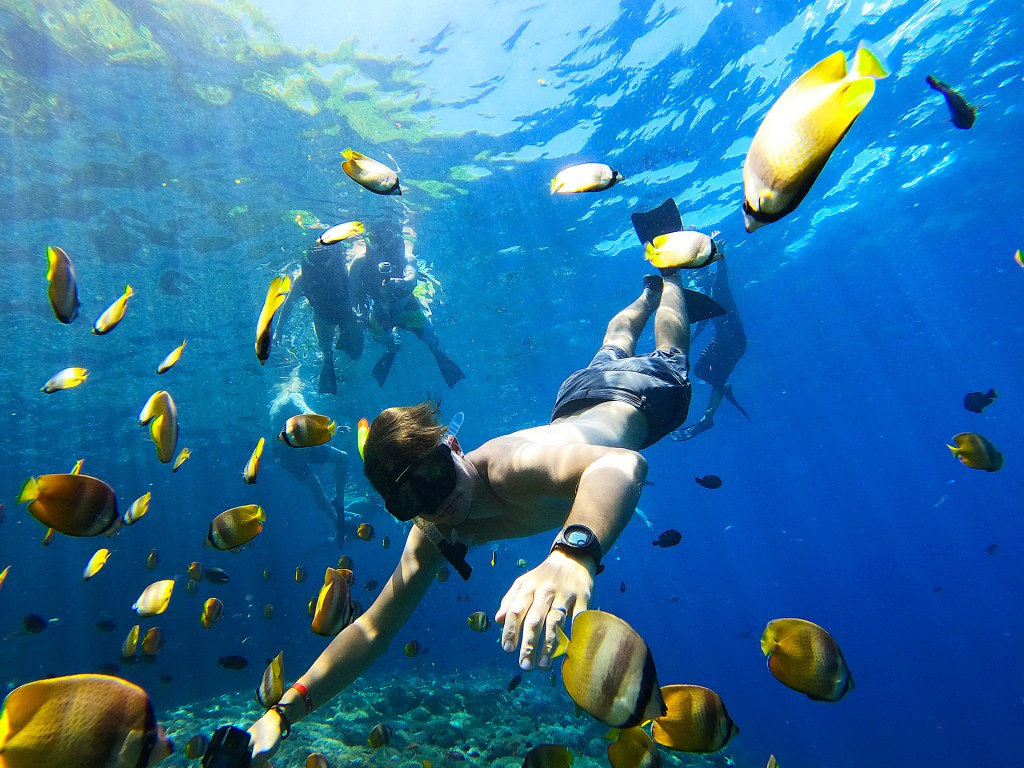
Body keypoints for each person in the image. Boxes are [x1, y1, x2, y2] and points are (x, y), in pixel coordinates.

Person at [240, 201, 721, 767]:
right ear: (399, 508)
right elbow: (371, 630)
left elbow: (619, 466)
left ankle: (668, 279)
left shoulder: (511, 469)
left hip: (643, 397)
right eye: (411, 498)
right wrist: (284, 711)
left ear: (455, 448)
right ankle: (647, 283)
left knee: (670, 347)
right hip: (576, 399)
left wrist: (573, 555)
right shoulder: (433, 532)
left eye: (436, 475)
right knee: (614, 337)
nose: (436, 500)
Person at [349, 210, 465, 388]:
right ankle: (392, 347)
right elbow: (354, 294)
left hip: (406, 307)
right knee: (381, 338)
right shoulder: (359, 262)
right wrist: (360, 316)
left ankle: (437, 353)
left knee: (430, 337)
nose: (381, 244)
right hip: (380, 310)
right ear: (368, 240)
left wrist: (397, 283)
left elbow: (411, 279)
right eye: (375, 239)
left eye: (385, 237)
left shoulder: (405, 257)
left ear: (393, 237)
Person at [275, 234, 364, 395]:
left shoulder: (344, 270)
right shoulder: (303, 280)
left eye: (324, 256)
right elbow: (288, 305)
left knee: (356, 354)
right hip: (323, 317)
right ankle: (328, 362)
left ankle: (342, 339)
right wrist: (278, 331)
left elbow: (358, 291)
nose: (321, 262)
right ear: (308, 258)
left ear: (333, 254)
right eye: (315, 257)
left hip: (346, 314)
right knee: (326, 351)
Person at [671, 258, 749, 441]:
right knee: (699, 370)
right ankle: (721, 387)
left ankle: (708, 418)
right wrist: (689, 342)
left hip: (734, 342)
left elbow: (723, 273)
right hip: (722, 340)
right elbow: (703, 321)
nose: (695, 281)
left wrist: (720, 255)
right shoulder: (707, 292)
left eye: (697, 277)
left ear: (707, 274)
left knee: (717, 378)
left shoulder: (718, 286)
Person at [268, 377, 350, 544]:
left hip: (283, 451)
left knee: (315, 486)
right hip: (293, 445)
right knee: (342, 459)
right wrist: (328, 428)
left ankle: (336, 519)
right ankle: (339, 501)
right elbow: (308, 412)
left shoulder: (277, 405)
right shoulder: (293, 395)